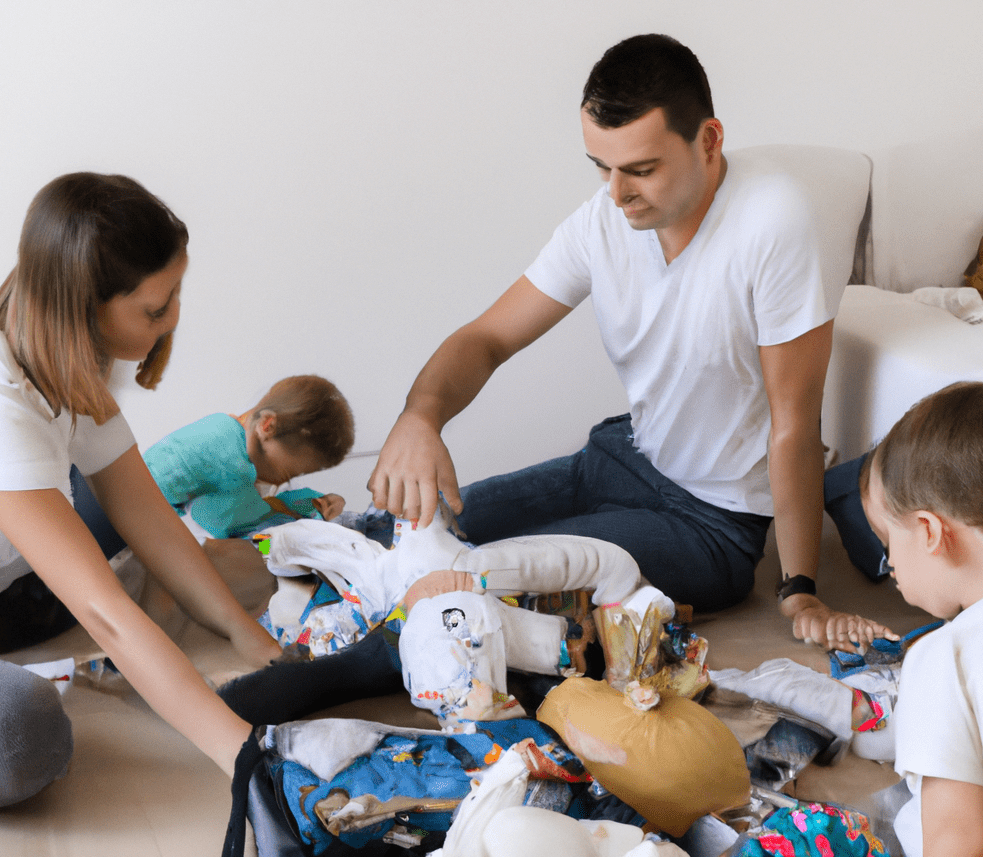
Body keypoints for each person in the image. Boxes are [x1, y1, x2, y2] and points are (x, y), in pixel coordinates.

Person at [367, 33, 893, 652]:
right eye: (602, 167)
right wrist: (419, 417)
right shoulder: (605, 217)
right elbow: (487, 337)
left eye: (641, 169)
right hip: (625, 457)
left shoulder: (773, 222)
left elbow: (794, 424)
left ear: (709, 140)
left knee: (461, 578)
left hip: (711, 525)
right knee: (398, 533)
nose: (617, 193)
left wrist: (799, 586)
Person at [0, 172, 280, 810]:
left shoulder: (60, 360)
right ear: (82, 306)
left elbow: (146, 512)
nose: (173, 320)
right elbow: (105, 618)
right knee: (18, 733)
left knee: (163, 542)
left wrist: (250, 637)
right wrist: (247, 759)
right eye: (155, 309)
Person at [695, 381, 983, 857]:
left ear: (932, 533)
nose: (891, 570)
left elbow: (959, 836)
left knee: (814, 832)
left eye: (888, 547)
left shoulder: (947, 659)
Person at [143, 374, 354, 539]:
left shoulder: (222, 426)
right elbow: (241, 528)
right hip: (137, 534)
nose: (285, 480)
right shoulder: (233, 466)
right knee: (268, 545)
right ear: (267, 426)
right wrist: (304, 516)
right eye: (290, 472)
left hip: (142, 509)